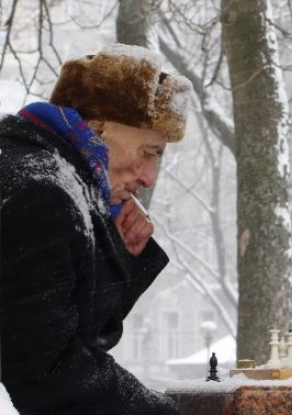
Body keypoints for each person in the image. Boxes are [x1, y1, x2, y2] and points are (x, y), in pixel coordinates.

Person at [0, 44, 192, 414]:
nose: (149, 178)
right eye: (148, 151)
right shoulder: (41, 191)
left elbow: (73, 341)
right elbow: (49, 374)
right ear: (98, 126)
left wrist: (118, 253)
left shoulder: (47, 176)